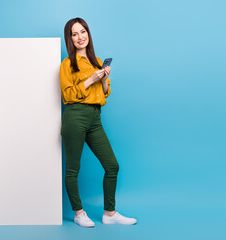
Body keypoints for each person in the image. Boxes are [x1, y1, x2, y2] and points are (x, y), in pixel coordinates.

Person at [60, 17, 138, 228]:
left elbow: (105, 93)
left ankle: (110, 214)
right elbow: (67, 95)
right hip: (75, 116)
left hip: (95, 117)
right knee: (73, 170)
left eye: (82, 31)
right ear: (70, 38)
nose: (80, 37)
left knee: (112, 165)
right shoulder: (67, 64)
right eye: (74, 34)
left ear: (88, 33)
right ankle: (78, 213)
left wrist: (102, 78)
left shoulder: (97, 60)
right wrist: (90, 80)